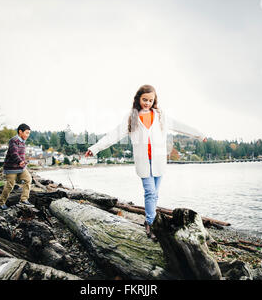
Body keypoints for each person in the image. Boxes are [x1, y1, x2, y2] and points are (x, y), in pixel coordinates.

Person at [85, 85, 207, 241]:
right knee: (150, 192)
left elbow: (180, 126)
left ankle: (150, 220)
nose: (147, 103)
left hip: (158, 161)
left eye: (151, 100)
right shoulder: (132, 117)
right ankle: (151, 223)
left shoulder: (160, 115)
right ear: (138, 98)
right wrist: (94, 148)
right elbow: (113, 135)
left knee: (154, 194)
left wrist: (199, 135)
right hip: (144, 161)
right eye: (144, 100)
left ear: (154, 100)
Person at [0, 123, 34, 210]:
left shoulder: (23, 142)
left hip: (21, 168)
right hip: (11, 168)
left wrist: (23, 161)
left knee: (28, 179)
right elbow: (14, 153)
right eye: (27, 133)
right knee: (10, 185)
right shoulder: (14, 140)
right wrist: (19, 161)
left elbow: (21, 155)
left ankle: (24, 199)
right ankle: (0, 203)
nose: (28, 135)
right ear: (20, 132)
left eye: (29, 133)